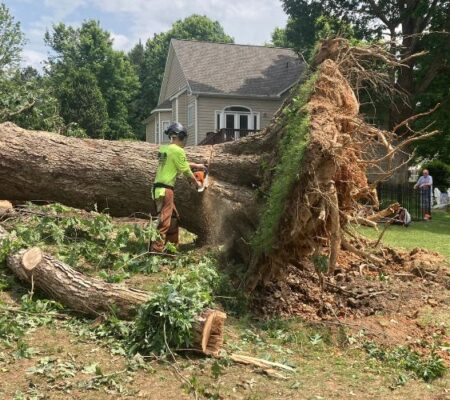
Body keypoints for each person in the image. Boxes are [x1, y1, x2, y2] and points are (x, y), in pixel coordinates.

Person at [151, 122, 205, 252]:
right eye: (183, 138)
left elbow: (179, 163)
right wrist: (197, 184)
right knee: (164, 222)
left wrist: (197, 166)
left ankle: (171, 249)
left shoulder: (164, 149)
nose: (184, 141)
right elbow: (185, 171)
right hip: (166, 190)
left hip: (157, 189)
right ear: (180, 136)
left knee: (174, 218)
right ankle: (155, 252)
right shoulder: (178, 150)